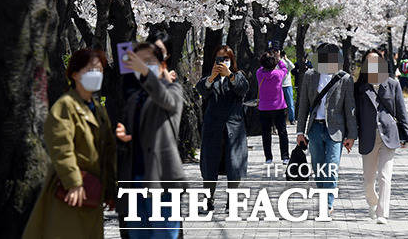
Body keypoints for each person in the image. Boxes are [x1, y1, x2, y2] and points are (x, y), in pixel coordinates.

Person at [23, 49, 117, 239]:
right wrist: (73, 182)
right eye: (91, 70)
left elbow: (107, 150)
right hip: (69, 189)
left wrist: (109, 189)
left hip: (92, 190)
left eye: (99, 70)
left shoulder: (97, 109)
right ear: (75, 74)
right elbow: (61, 147)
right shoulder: (65, 106)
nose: (96, 75)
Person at [115, 42, 186, 238]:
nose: (142, 66)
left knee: (164, 235)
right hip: (134, 179)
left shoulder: (174, 91)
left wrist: (146, 72)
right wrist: (123, 137)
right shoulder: (134, 98)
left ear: (162, 65)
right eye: (138, 62)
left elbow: (166, 100)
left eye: (149, 61)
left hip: (161, 180)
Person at [296, 43, 357, 213]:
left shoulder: (344, 78)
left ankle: (327, 204)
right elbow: (303, 106)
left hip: (336, 130)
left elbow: (350, 109)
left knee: (331, 167)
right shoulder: (310, 76)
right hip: (315, 128)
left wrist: (351, 135)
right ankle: (324, 197)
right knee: (318, 168)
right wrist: (300, 131)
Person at [355, 50, 408, 225]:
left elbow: (401, 111)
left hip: (389, 134)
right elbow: (353, 113)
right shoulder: (359, 87)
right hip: (368, 135)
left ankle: (382, 213)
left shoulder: (392, 84)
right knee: (368, 180)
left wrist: (406, 135)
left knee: (385, 176)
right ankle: (373, 202)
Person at [196, 45, 249, 211]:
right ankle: (208, 199)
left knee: (234, 165)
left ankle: (231, 200)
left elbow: (243, 89)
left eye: (226, 59)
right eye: (219, 59)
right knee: (210, 164)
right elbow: (201, 90)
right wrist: (212, 77)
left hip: (233, 127)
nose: (223, 62)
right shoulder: (210, 78)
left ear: (232, 60)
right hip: (213, 127)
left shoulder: (238, 76)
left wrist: (230, 76)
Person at [256, 50, 289, 165]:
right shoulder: (278, 74)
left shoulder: (259, 74)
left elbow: (261, 67)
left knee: (266, 133)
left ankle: (268, 158)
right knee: (282, 132)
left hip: (264, 108)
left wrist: (267, 60)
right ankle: (285, 156)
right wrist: (278, 59)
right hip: (279, 107)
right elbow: (285, 69)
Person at [280, 50, 297, 124]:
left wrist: (286, 59)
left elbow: (293, 66)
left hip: (288, 85)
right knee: (280, 104)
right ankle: (282, 119)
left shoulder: (286, 62)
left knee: (290, 103)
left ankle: (292, 119)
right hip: (280, 85)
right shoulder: (277, 62)